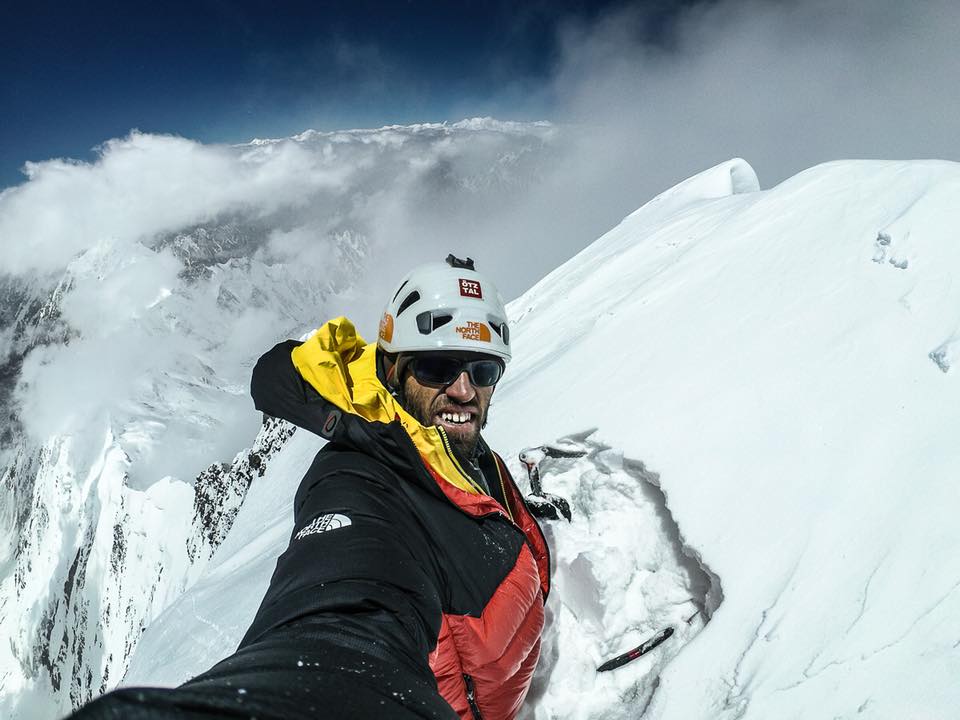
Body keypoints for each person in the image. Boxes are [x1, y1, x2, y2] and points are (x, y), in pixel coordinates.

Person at [69, 255, 550, 720]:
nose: (464, 390)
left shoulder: (452, 448)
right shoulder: (356, 480)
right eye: (437, 368)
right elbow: (343, 616)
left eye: (483, 370)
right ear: (394, 370)